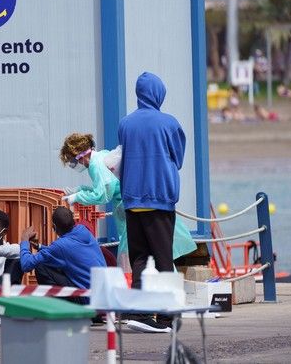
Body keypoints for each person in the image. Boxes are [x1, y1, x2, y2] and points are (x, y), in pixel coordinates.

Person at [59, 133, 196, 273]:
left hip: (129, 209)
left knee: (132, 254)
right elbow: (105, 186)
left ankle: (135, 286)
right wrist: (79, 190)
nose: (75, 165)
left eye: (73, 161)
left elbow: (103, 195)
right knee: (156, 250)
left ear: (80, 155)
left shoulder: (95, 165)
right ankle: (168, 282)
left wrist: (77, 197)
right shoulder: (102, 156)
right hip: (136, 205)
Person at [118, 71, 185, 333]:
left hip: (133, 200)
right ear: (159, 93)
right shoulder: (169, 123)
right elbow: (177, 158)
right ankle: (167, 318)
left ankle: (139, 312)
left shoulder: (125, 123)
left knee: (139, 259)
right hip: (159, 200)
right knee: (164, 260)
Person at [19, 207, 106, 293]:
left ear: (54, 227)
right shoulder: (83, 230)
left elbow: (26, 264)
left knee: (41, 266)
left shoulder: (60, 246)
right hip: (103, 291)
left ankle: (58, 304)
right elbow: (67, 251)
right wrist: (39, 246)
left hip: (87, 296)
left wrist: (24, 240)